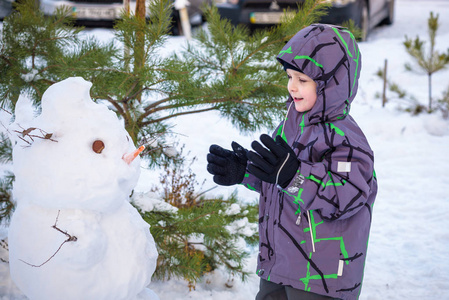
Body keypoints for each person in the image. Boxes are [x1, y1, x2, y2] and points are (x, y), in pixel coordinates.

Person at [206, 24, 377, 300]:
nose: (292, 87)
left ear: (330, 83)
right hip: (280, 263)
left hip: (322, 277)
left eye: (303, 80)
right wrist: (246, 171)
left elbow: (347, 196)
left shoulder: (345, 138)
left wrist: (294, 177)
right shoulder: (292, 123)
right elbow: (279, 178)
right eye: (290, 77)